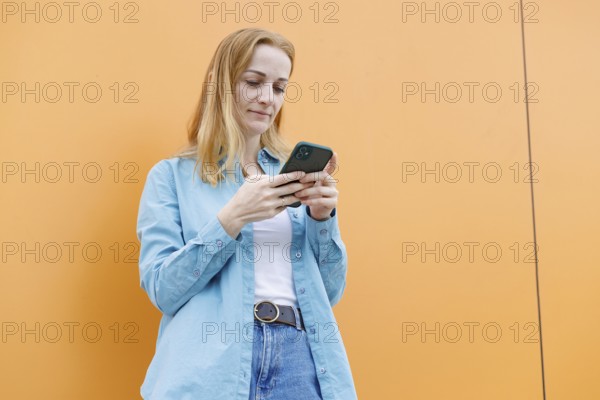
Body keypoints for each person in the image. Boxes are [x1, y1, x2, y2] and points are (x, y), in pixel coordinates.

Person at [136, 27, 357, 400]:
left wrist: (322, 219)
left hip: (299, 360)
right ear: (222, 85)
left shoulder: (292, 176)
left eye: (278, 87)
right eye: (254, 82)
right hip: (210, 365)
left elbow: (330, 293)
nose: (267, 98)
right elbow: (163, 290)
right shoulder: (170, 177)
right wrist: (230, 220)